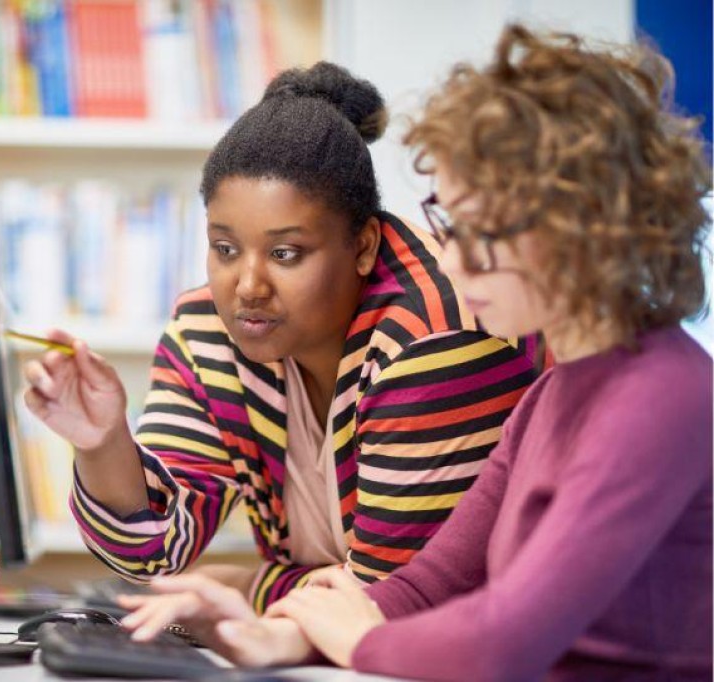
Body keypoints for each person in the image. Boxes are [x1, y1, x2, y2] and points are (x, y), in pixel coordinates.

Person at [118, 24, 714, 681]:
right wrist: (276, 636)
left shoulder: (661, 397)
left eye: (479, 233)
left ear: (580, 229)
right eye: (447, 224)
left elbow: (500, 641)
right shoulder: (554, 395)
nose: (449, 262)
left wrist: (352, 641)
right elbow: (424, 588)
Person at [23, 62, 541, 616]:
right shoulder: (209, 330)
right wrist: (103, 444)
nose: (247, 286)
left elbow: (391, 608)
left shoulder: (433, 339)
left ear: (364, 246)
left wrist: (244, 587)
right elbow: (152, 552)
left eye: (285, 253)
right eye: (225, 248)